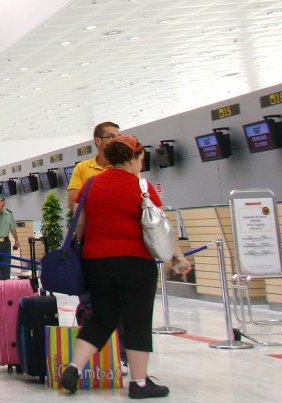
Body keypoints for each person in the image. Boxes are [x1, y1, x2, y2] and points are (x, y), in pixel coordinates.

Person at [60, 135, 191, 399]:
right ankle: (140, 383)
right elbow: (161, 228)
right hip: (136, 263)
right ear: (132, 158)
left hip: (97, 262)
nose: (141, 164)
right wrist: (178, 256)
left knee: (102, 317)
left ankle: (73, 368)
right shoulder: (142, 187)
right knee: (137, 321)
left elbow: (79, 223)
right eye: (140, 159)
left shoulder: (91, 184)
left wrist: (88, 248)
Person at [67, 121, 120, 209]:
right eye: (111, 137)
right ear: (98, 141)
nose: (117, 141)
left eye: (119, 136)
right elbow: (73, 202)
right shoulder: (82, 167)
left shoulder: (125, 166)